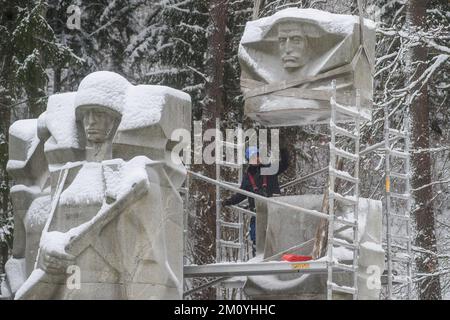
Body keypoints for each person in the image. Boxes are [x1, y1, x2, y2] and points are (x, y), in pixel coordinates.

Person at [222, 141, 289, 256]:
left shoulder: (269, 169)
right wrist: (229, 201)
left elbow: (285, 164)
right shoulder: (248, 177)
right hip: (257, 211)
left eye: (257, 156)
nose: (256, 159)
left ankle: (277, 255)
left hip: (273, 208)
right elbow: (241, 194)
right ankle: (258, 255)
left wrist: (283, 150)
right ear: (249, 160)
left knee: (276, 233)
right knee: (256, 235)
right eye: (253, 157)